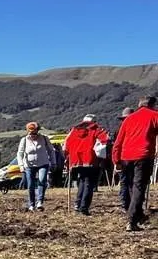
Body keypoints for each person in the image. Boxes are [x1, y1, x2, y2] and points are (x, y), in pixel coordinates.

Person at [112, 96, 158, 232]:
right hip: (142, 156)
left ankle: (138, 215)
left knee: (132, 186)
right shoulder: (154, 115)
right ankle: (131, 220)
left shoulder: (129, 119)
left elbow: (118, 141)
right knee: (139, 187)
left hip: (126, 156)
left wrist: (116, 160)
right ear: (152, 105)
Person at [64, 114, 110, 216]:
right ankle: (84, 207)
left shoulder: (74, 130)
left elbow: (66, 145)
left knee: (82, 181)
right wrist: (103, 157)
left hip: (76, 160)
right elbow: (104, 142)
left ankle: (78, 204)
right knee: (89, 183)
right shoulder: (97, 130)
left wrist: (68, 158)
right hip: (91, 160)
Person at [16, 122, 55, 211]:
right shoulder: (24, 140)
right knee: (30, 184)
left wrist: (53, 162)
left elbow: (51, 151)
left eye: (34, 133)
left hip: (43, 163)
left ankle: (40, 201)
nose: (33, 135)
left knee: (42, 181)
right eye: (30, 133)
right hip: (29, 165)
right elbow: (20, 153)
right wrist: (21, 165)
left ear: (38, 131)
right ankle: (31, 204)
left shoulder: (44, 139)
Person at [114, 107, 134, 209]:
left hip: (123, 158)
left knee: (125, 181)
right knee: (130, 181)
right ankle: (129, 203)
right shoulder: (133, 128)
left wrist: (116, 160)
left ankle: (126, 203)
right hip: (130, 158)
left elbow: (116, 146)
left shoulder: (119, 129)